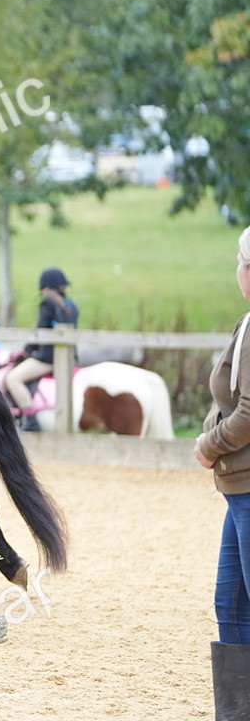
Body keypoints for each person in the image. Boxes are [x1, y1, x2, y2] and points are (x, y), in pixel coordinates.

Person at [195, 226, 250, 720]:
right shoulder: (246, 323)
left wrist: (208, 445)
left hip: (247, 484)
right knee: (229, 603)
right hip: (238, 487)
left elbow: (249, 413)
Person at [3, 267, 78, 432]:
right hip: (70, 358)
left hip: (48, 359)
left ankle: (30, 418)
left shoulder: (47, 303)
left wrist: (27, 350)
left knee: (12, 378)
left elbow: (40, 332)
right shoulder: (72, 305)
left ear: (45, 287)